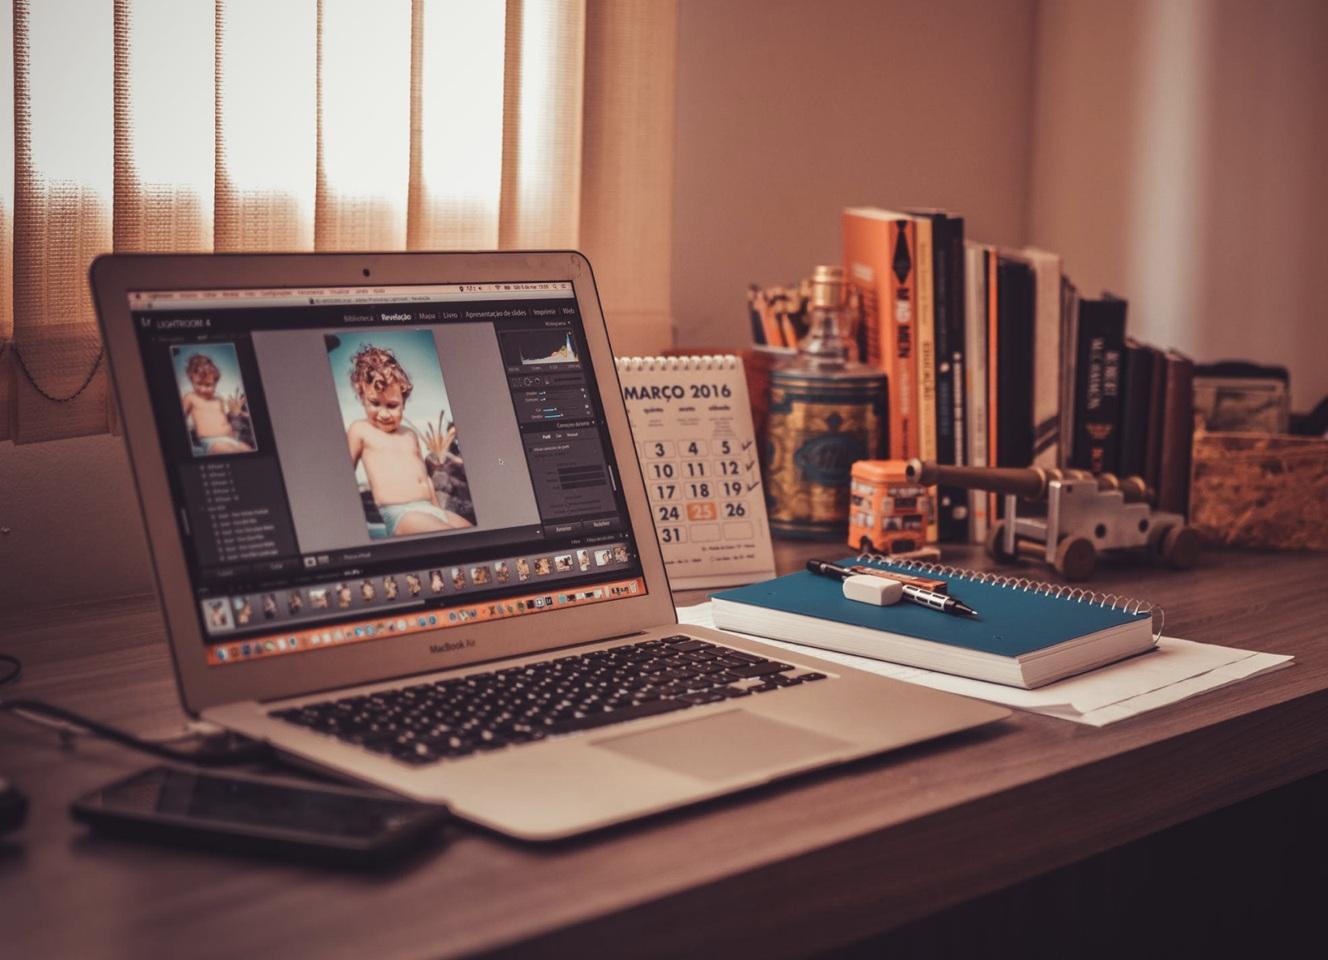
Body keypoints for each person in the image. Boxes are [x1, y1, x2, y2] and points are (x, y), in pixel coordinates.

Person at [345, 344, 472, 537]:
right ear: (362, 397)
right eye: (374, 403)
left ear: (404, 402)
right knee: (452, 538)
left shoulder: (409, 434)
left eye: (392, 405)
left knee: (474, 533)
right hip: (402, 514)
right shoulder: (361, 430)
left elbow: (425, 478)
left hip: (431, 508)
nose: (384, 413)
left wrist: (439, 511)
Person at [182, 353, 251, 455]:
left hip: (230, 438)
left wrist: (235, 413)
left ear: (216, 383)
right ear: (192, 380)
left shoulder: (219, 400)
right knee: (227, 451)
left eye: (208, 385)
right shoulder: (190, 398)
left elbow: (224, 419)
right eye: (198, 384)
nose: (202, 389)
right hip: (212, 441)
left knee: (247, 449)